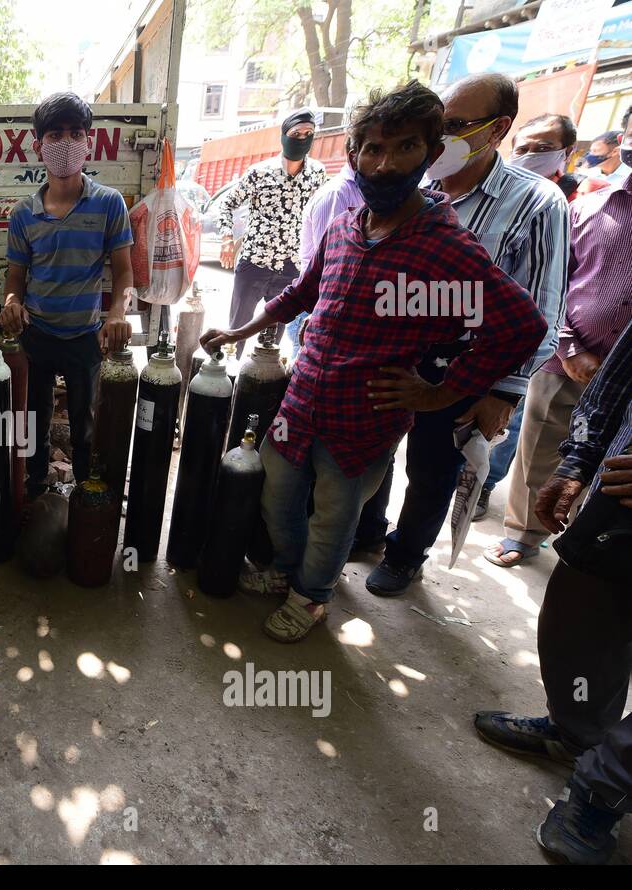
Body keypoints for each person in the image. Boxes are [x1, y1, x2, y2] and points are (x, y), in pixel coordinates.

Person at [199, 80, 546, 644]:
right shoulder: (345, 226)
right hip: (305, 395)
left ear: (431, 155)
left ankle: (311, 598)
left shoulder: (445, 246)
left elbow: (523, 326)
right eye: (373, 150)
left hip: (365, 414)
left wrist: (441, 393)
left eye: (405, 147)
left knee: (335, 517)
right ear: (354, 154)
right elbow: (302, 291)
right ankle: (288, 572)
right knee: (277, 489)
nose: (385, 165)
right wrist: (242, 328)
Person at [355, 74, 570, 597]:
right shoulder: (418, 189)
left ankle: (406, 556)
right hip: (397, 359)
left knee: (433, 470)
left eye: (454, 127)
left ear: (497, 130)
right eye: (436, 126)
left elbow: (542, 309)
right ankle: (367, 533)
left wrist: (503, 392)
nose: (439, 138)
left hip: (464, 375)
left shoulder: (537, 203)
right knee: (373, 453)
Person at [473, 319, 632, 865]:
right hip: (623, 487)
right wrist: (580, 459)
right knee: (580, 615)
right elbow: (621, 373)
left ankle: (604, 788)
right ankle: (577, 731)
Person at [484, 104, 632, 566]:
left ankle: (590, 540)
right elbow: (554, 285)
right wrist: (568, 345)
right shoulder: (589, 208)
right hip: (569, 355)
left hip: (624, 376)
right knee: (539, 448)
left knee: (613, 468)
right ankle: (522, 534)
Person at [0, 91, 133, 494]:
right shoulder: (23, 214)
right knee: (34, 424)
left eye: (76, 133)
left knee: (85, 427)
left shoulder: (109, 205)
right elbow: (15, 276)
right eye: (55, 134)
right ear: (38, 146)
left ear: (88, 142)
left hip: (85, 337)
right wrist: (11, 304)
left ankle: (88, 500)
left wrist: (116, 314)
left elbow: (124, 272)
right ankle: (37, 493)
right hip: (37, 335)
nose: (67, 143)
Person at [474, 112, 580, 522]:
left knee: (509, 432)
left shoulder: (561, 201)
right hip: (465, 351)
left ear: (566, 154)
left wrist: (508, 386)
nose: (531, 156)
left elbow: (545, 302)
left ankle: (483, 487)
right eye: (525, 148)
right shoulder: (477, 194)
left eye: (544, 148)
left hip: (526, 355)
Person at [215, 109, 326, 355]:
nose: (302, 138)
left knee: (271, 341)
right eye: (296, 133)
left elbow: (320, 216)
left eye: (309, 134)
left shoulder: (318, 174)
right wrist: (226, 240)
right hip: (255, 262)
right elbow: (227, 204)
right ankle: (226, 380)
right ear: (284, 136)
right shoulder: (259, 172)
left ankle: (260, 384)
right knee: (237, 331)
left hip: (290, 268)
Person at [292, 160, 362, 355]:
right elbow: (330, 265)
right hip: (318, 306)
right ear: (354, 155)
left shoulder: (366, 193)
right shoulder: (337, 194)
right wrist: (318, 312)